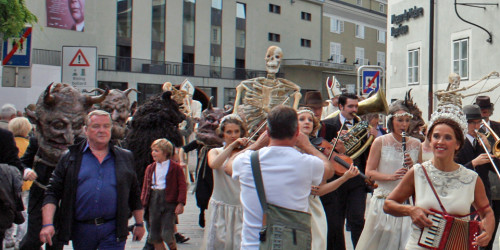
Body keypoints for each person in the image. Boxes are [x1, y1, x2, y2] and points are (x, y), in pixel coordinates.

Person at [383, 105, 495, 249]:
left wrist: (488, 232)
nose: (440, 142)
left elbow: (486, 212)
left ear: (457, 144)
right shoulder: (418, 172)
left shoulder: (471, 178)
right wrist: (410, 210)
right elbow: (388, 204)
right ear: (430, 139)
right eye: (436, 136)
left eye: (447, 137)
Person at [229, 105, 333, 249]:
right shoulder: (307, 163)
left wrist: (257, 144)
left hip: (253, 245)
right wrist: (308, 146)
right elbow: (329, 170)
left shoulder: (246, 161)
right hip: (290, 244)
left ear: (268, 132)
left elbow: (229, 164)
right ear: (297, 132)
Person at [39, 110, 145, 249]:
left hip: (113, 229)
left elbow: (134, 193)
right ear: (85, 130)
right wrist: (47, 224)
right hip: (82, 230)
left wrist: (139, 223)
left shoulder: (124, 157)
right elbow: (52, 192)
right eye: (96, 126)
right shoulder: (71, 157)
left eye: (106, 126)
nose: (102, 130)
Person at [355, 101, 422, 250]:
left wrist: (412, 166)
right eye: (399, 120)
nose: (404, 124)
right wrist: (391, 177)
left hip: (406, 203)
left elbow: (421, 175)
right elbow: (369, 173)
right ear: (391, 121)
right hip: (383, 202)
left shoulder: (416, 144)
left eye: (406, 120)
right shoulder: (381, 141)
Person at [297, 107, 358, 250]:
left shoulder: (319, 148)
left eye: (310, 120)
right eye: (302, 119)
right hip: (293, 205)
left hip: (314, 205)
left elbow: (320, 190)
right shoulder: (287, 149)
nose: (307, 122)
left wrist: (345, 177)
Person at [321, 93, 372, 250]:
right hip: (335, 179)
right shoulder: (327, 125)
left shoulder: (362, 125)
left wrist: (372, 138)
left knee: (357, 219)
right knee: (336, 222)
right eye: (350, 106)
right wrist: (336, 146)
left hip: (356, 178)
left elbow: (365, 152)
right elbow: (321, 150)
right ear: (341, 107)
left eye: (356, 106)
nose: (354, 110)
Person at [202, 114, 248, 249]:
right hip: (221, 204)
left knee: (238, 244)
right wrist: (232, 145)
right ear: (222, 133)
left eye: (236, 132)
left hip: (240, 206)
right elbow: (215, 164)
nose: (233, 135)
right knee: (217, 244)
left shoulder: (246, 153)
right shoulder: (215, 151)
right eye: (229, 132)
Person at [141, 138, 187, 250]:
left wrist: (180, 203)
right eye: (152, 150)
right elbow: (145, 187)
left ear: (165, 152)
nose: (153, 153)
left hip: (168, 201)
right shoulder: (150, 168)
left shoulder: (175, 168)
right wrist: (142, 203)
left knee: (167, 233)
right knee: (154, 235)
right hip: (153, 201)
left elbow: (182, 185)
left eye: (156, 151)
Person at [475, 96, 500, 249]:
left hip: (497, 185)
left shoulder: (497, 127)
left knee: (493, 228)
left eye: (486, 109)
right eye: (481, 109)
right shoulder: (471, 129)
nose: (484, 112)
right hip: (482, 186)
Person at [4, 117, 32, 248]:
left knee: (12, 209)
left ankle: (10, 237)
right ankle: (19, 238)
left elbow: (14, 161)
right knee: (22, 210)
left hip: (7, 184)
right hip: (21, 183)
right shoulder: (27, 143)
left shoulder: (7, 139)